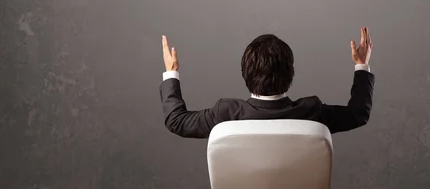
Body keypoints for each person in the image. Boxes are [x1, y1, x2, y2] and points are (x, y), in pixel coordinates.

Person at [159, 27, 375, 138]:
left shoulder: (225, 113)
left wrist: (171, 73)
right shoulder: (311, 111)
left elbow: (176, 121)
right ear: (290, 73)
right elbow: (358, 114)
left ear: (245, 73)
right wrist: (362, 66)